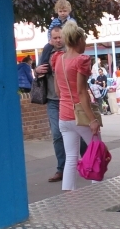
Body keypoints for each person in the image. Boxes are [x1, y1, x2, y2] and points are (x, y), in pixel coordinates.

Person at [50, 20, 101, 191]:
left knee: (71, 158)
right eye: (84, 40)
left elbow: (58, 91)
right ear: (78, 40)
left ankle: (68, 196)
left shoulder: (58, 59)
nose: (85, 43)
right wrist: (92, 120)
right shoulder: (81, 60)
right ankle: (98, 192)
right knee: (96, 153)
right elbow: (81, 92)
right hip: (80, 115)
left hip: (63, 116)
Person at [36, 24, 67, 183]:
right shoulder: (47, 52)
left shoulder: (70, 50)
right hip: (52, 100)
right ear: (51, 39)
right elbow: (39, 70)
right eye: (55, 38)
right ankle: (61, 169)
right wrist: (37, 71)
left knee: (77, 132)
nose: (58, 40)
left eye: (60, 37)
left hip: (69, 99)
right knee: (57, 134)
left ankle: (88, 160)